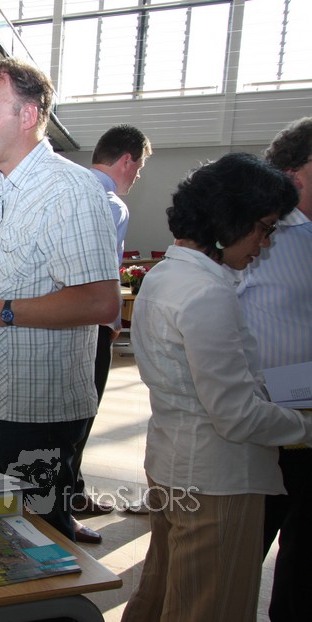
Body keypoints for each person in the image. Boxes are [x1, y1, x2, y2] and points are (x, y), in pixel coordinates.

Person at [0, 57, 119, 541]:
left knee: (42, 544)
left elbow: (101, 302)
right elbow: (0, 285)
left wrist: (0, 313)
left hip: (39, 415)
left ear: (28, 115)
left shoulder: (70, 190)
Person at [121, 152, 312, 622]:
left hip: (174, 461)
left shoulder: (167, 275)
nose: (264, 244)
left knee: (164, 593)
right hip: (216, 478)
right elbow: (236, 415)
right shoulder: (206, 291)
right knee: (210, 604)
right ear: (231, 220)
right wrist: (306, 427)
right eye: (263, 228)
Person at [238, 118, 312, 622]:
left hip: (307, 423)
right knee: (245, 551)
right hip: (266, 425)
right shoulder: (263, 235)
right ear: (294, 173)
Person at [71, 126, 153, 538]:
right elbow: (100, 276)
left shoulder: (67, 189)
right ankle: (64, 505)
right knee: (80, 415)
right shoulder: (110, 205)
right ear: (126, 160)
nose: (136, 177)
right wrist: (114, 322)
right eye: (139, 168)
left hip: (51, 321)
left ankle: (70, 492)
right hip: (88, 326)